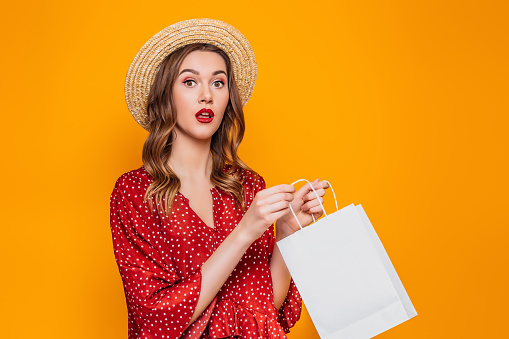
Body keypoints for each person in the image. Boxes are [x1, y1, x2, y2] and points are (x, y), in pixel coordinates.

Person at [110, 18, 329, 339]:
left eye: (218, 82)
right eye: (189, 82)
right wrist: (244, 233)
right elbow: (155, 319)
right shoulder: (134, 192)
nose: (206, 96)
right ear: (165, 95)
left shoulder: (248, 186)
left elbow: (264, 310)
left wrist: (286, 232)